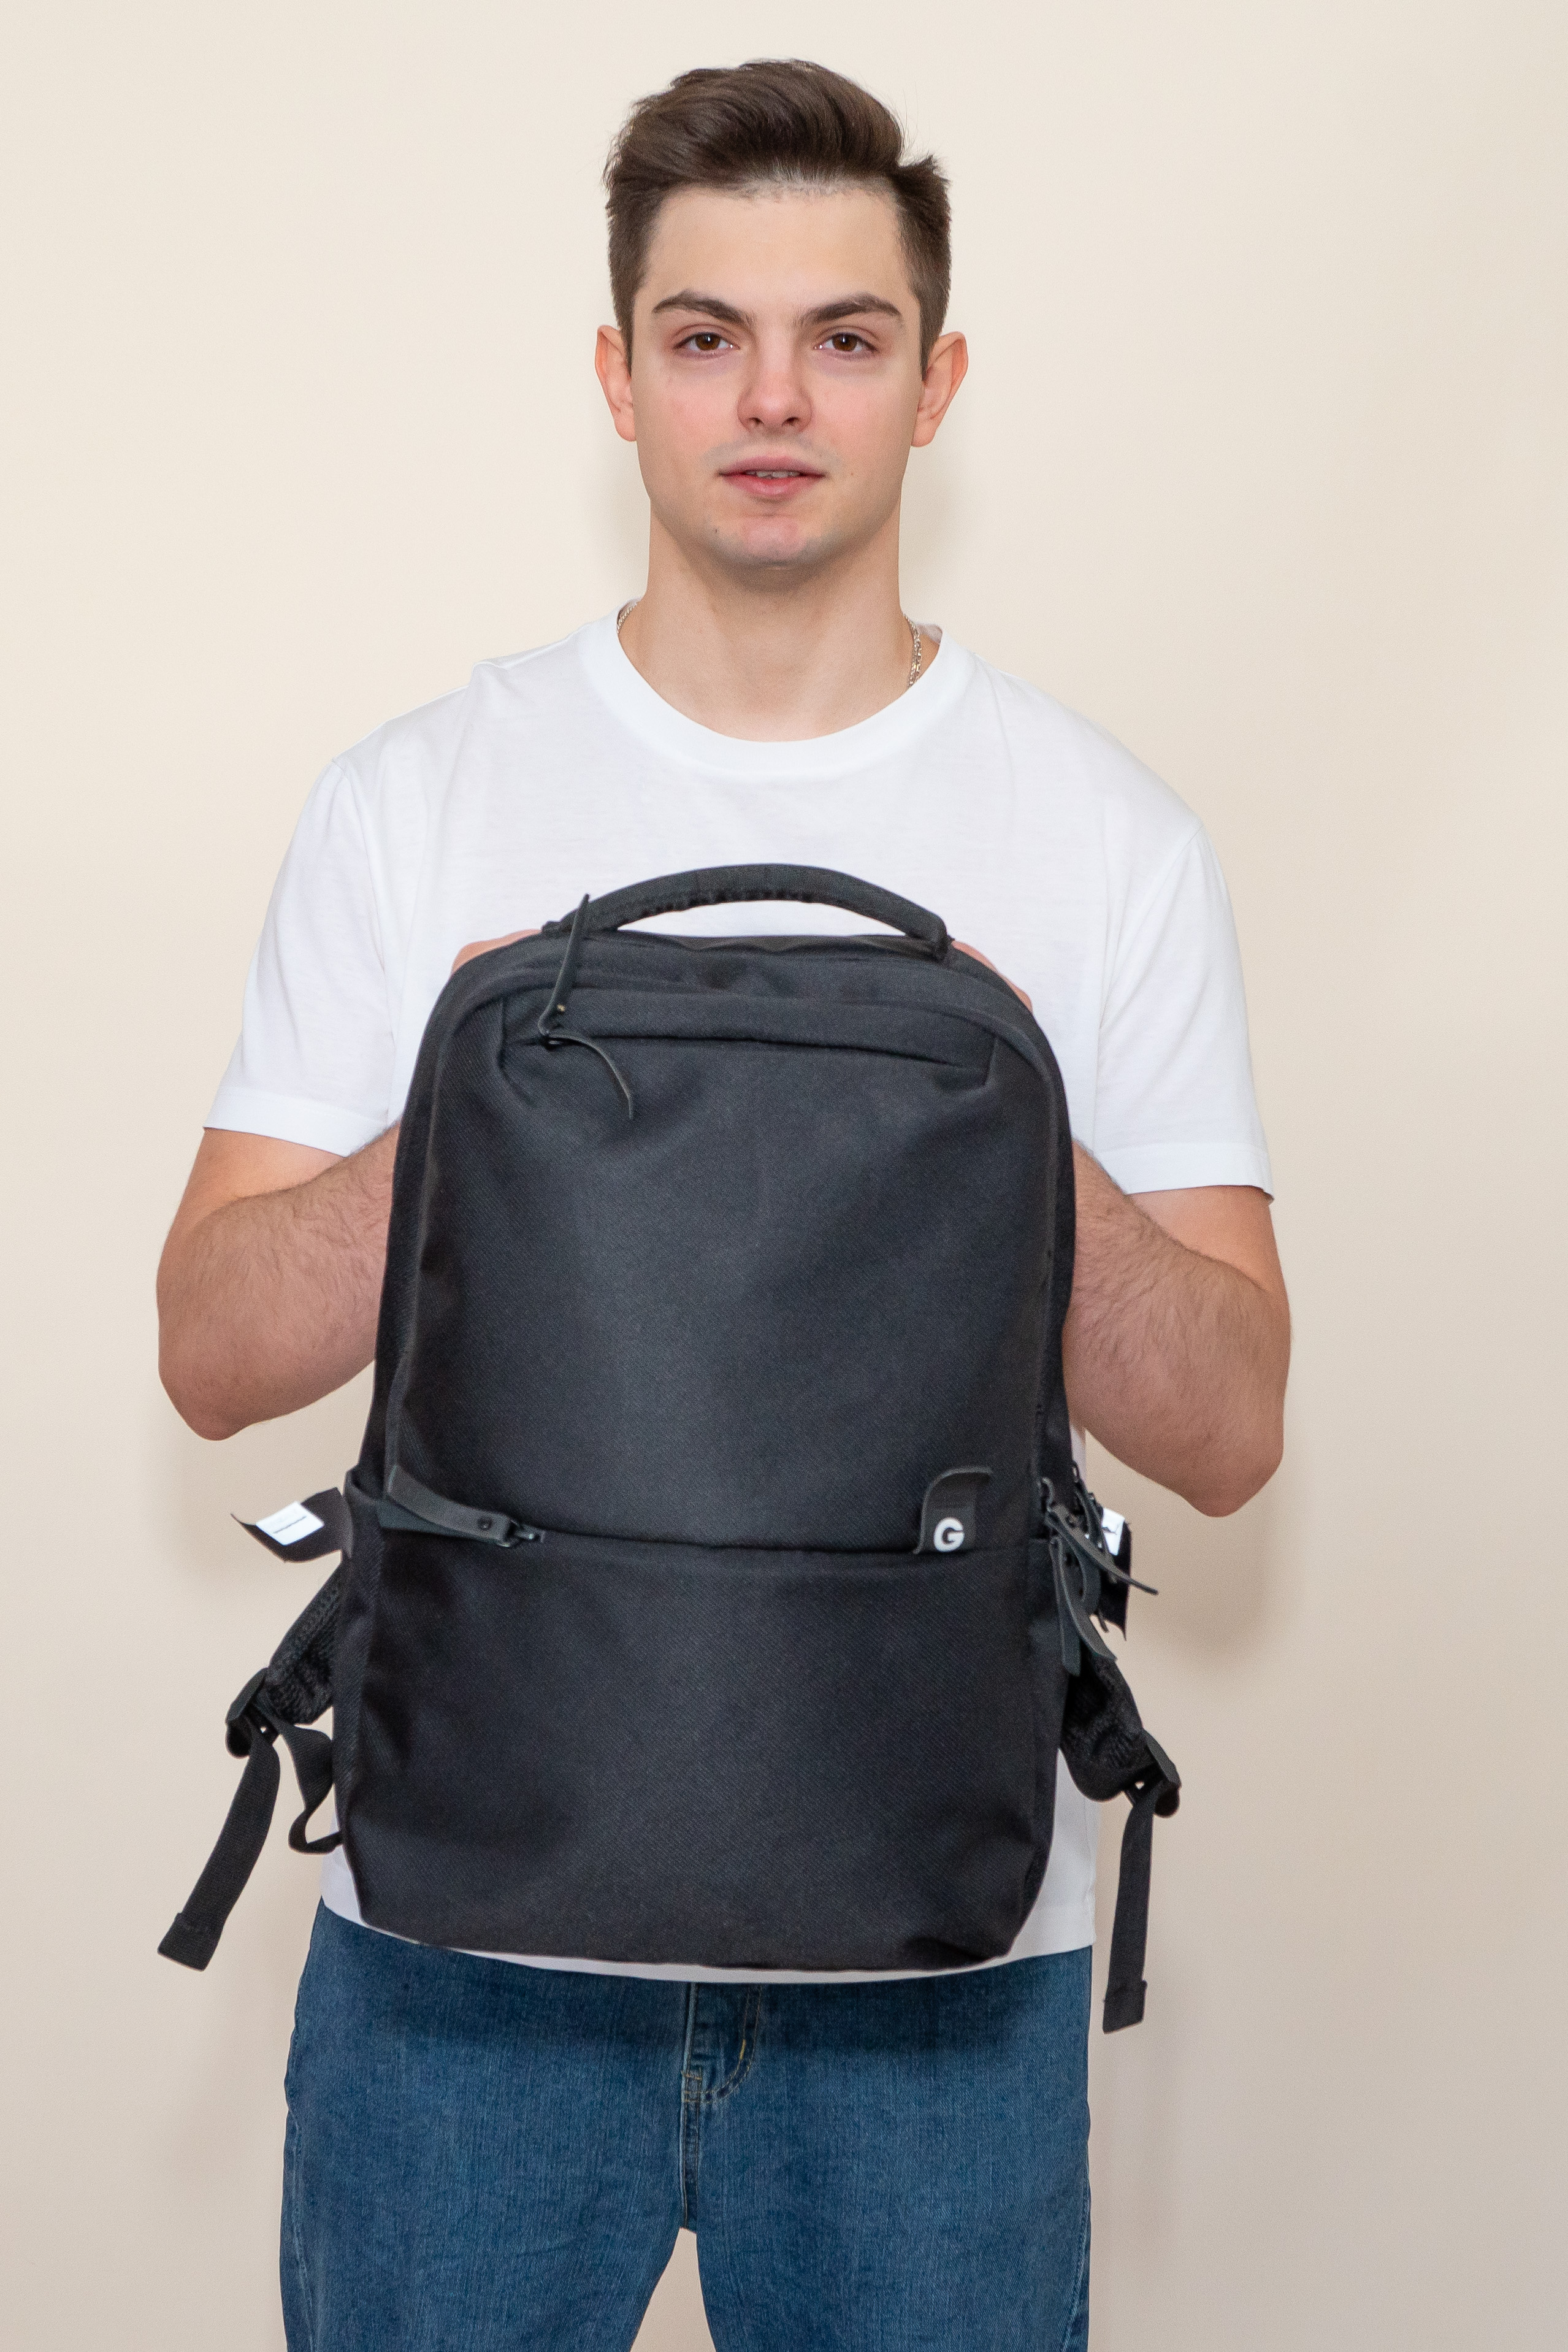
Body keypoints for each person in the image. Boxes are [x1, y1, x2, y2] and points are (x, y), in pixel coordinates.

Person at [158, 57, 1289, 2352]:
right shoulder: (415, 800)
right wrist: (456, 1113)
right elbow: (208, 1353)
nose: (774, 398)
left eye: (844, 338)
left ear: (936, 384)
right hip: (462, 1957)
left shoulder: (1108, 842)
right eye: (708, 337)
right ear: (619, 376)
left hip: (939, 1969)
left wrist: (1004, 1113)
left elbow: (1233, 1426)